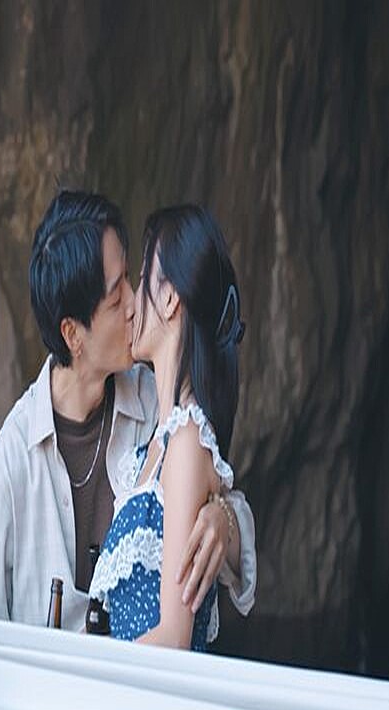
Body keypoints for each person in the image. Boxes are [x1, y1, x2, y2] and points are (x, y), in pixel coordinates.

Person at [0, 191, 256, 637]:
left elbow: (224, 495)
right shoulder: (11, 467)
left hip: (144, 674)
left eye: (132, 280)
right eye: (116, 298)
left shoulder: (158, 406)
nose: (135, 303)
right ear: (73, 334)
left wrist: (223, 521)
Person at [89, 203, 245, 650]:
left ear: (171, 298)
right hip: (126, 686)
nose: (132, 304)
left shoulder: (187, 442)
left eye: (142, 281)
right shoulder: (156, 447)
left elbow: (174, 637)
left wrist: (92, 674)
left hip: (149, 691)